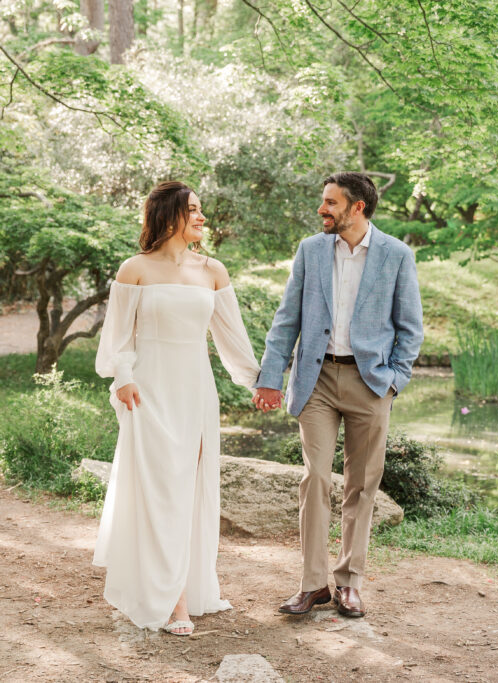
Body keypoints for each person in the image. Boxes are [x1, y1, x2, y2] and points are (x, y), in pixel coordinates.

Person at [94, 181, 261, 636]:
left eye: (201, 210)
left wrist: (260, 382)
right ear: (168, 215)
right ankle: (167, 600)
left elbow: (233, 339)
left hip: (194, 391)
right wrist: (123, 378)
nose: (202, 218)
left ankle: (183, 595)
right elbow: (116, 340)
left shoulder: (213, 271)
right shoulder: (135, 269)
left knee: (188, 491)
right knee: (156, 492)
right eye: (193, 210)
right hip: (148, 392)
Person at [253, 172, 423, 619]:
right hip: (317, 381)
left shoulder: (396, 255)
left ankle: (349, 583)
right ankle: (313, 585)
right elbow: (286, 318)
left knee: (362, 485)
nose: (321, 210)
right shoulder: (310, 251)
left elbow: (411, 329)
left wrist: (393, 381)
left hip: (371, 384)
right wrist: (271, 377)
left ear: (357, 208)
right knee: (315, 480)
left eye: (330, 203)